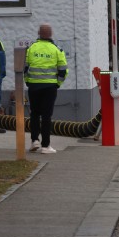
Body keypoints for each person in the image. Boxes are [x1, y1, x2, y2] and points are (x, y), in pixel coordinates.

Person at [25, 24, 68, 154]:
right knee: (46, 116)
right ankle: (45, 146)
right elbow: (63, 70)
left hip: (33, 86)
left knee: (34, 114)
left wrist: (28, 82)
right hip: (49, 87)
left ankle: (34, 141)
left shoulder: (31, 48)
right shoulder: (56, 49)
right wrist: (57, 84)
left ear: (38, 33)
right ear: (50, 34)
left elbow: (24, 68)